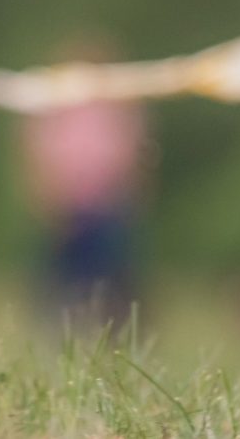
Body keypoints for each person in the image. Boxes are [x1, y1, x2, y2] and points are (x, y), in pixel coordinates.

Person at [23, 42, 148, 328]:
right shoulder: (54, 104)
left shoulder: (119, 103)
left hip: (108, 198)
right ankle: (60, 324)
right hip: (67, 200)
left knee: (112, 268)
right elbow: (36, 150)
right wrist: (43, 191)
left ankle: (114, 323)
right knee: (62, 271)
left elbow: (134, 149)